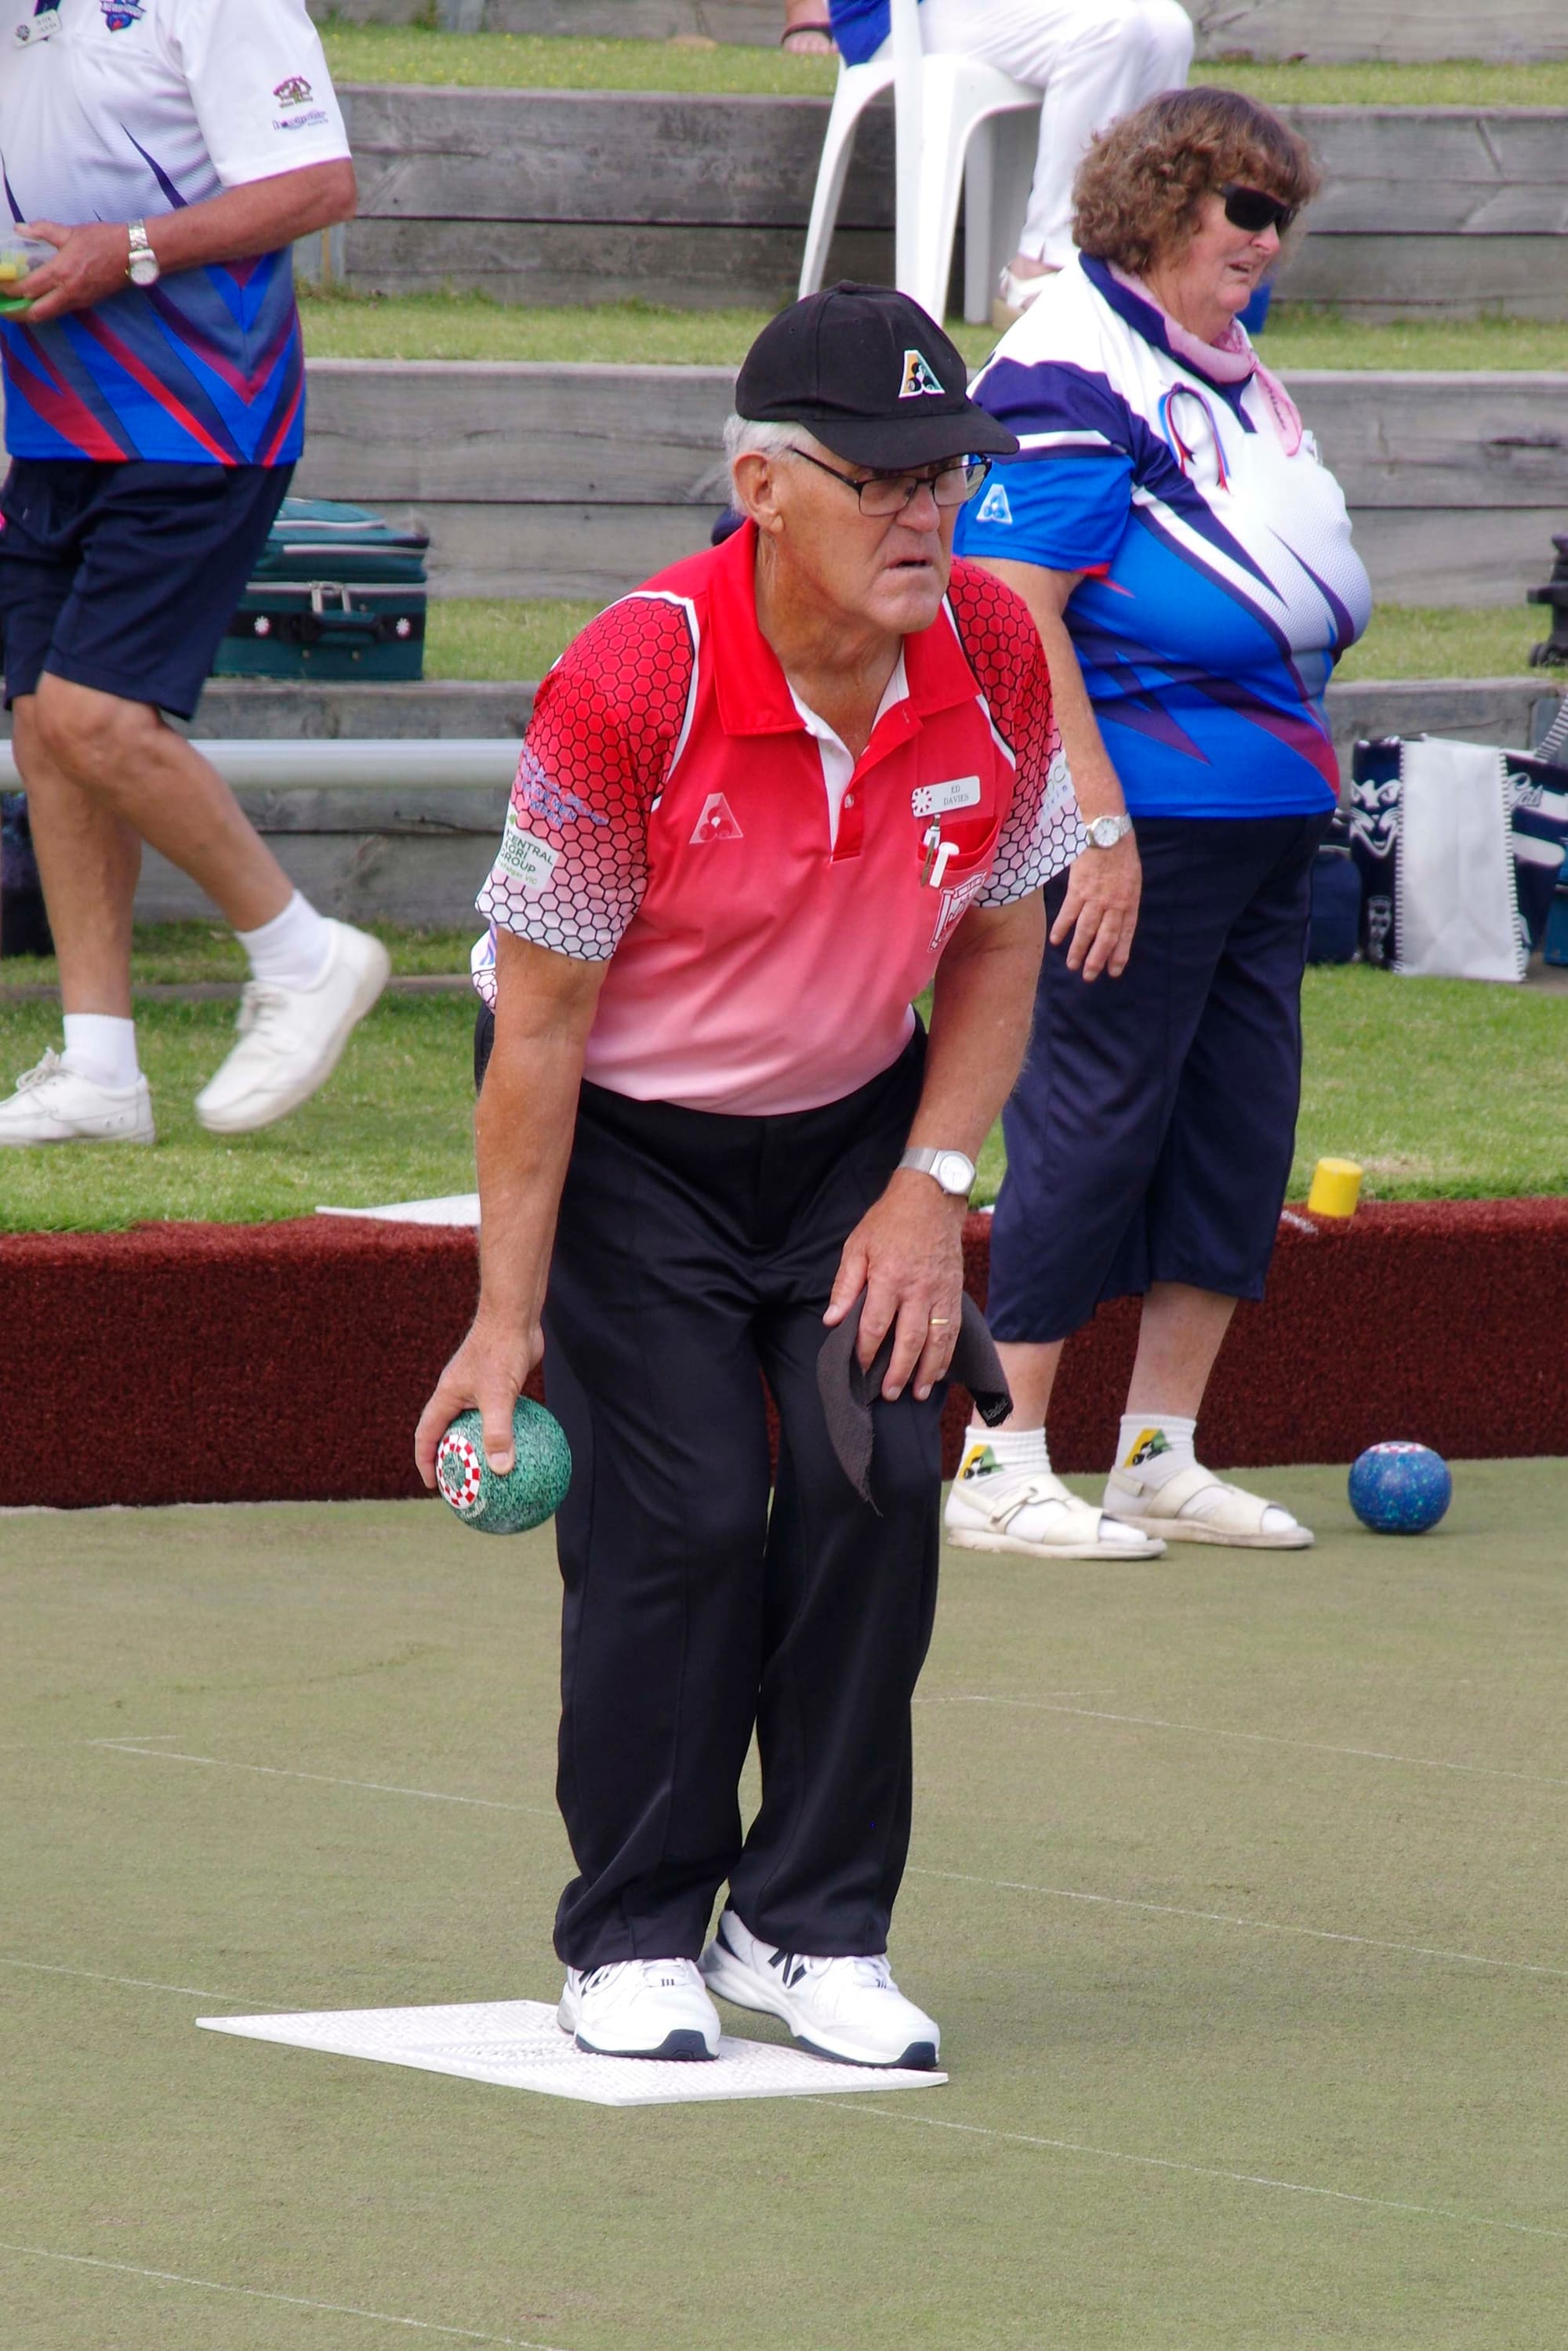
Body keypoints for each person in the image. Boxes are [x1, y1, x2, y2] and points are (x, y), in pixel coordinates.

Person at [418, 283, 1081, 2068]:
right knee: (691, 1504)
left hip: (856, 1126)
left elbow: (1000, 945)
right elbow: (540, 1026)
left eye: (943, 470)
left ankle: (810, 1925)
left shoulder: (995, 663)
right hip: (626, 1132)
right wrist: (502, 1325)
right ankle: (632, 1928)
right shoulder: (636, 676)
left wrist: (930, 1183)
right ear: (759, 482)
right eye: (875, 475)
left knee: (877, 1467)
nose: (920, 510)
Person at [944, 85, 1372, 1558]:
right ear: (1162, 199)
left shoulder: (1233, 366)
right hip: (1141, 812)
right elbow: (1011, 610)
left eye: (1279, 216)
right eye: (1242, 208)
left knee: (1238, 1130)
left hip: (1260, 810)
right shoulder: (1072, 356)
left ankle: (1156, 1450)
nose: (1266, 239)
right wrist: (1099, 825)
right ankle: (1000, 1459)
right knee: (1094, 1123)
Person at [0, 0, 389, 1152]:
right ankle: (101, 1066)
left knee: (93, 717)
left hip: (201, 415)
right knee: (43, 725)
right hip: (50, 419)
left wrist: (125, 252)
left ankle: (305, 954)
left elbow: (319, 182)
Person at [826, 0, 1193, 319]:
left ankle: (1134, 254)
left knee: (1169, 28)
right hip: (891, 14)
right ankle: (1044, 259)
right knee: (1108, 29)